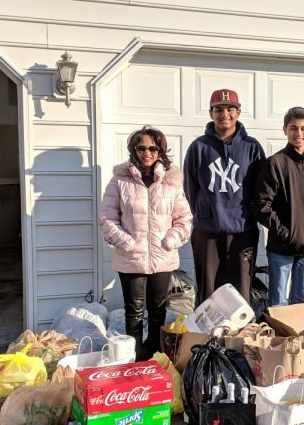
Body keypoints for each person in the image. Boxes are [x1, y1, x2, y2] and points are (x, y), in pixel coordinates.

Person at [99, 126, 192, 360]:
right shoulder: (120, 180)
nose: (147, 152)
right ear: (134, 150)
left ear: (161, 151)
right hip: (130, 258)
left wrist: (169, 241)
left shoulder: (171, 182)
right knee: (134, 314)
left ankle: (154, 356)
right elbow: (107, 218)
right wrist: (127, 243)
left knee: (158, 311)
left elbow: (184, 218)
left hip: (162, 258)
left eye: (153, 148)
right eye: (141, 148)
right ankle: (135, 358)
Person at [183, 88, 266, 306]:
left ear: (239, 112)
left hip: (243, 230)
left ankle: (240, 337)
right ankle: (206, 336)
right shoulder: (199, 147)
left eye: (230, 108)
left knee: (241, 291)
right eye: (218, 109)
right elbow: (191, 188)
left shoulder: (252, 147)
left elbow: (260, 190)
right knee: (208, 291)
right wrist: (205, 213)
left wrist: (249, 215)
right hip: (207, 231)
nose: (225, 114)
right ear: (211, 113)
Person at [254, 106, 304, 307]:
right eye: (293, 128)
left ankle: (296, 339)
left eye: (303, 128)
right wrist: (287, 234)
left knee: (301, 303)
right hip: (282, 248)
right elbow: (262, 205)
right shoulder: (275, 163)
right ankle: (278, 339)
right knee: (278, 303)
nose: (299, 133)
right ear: (285, 129)